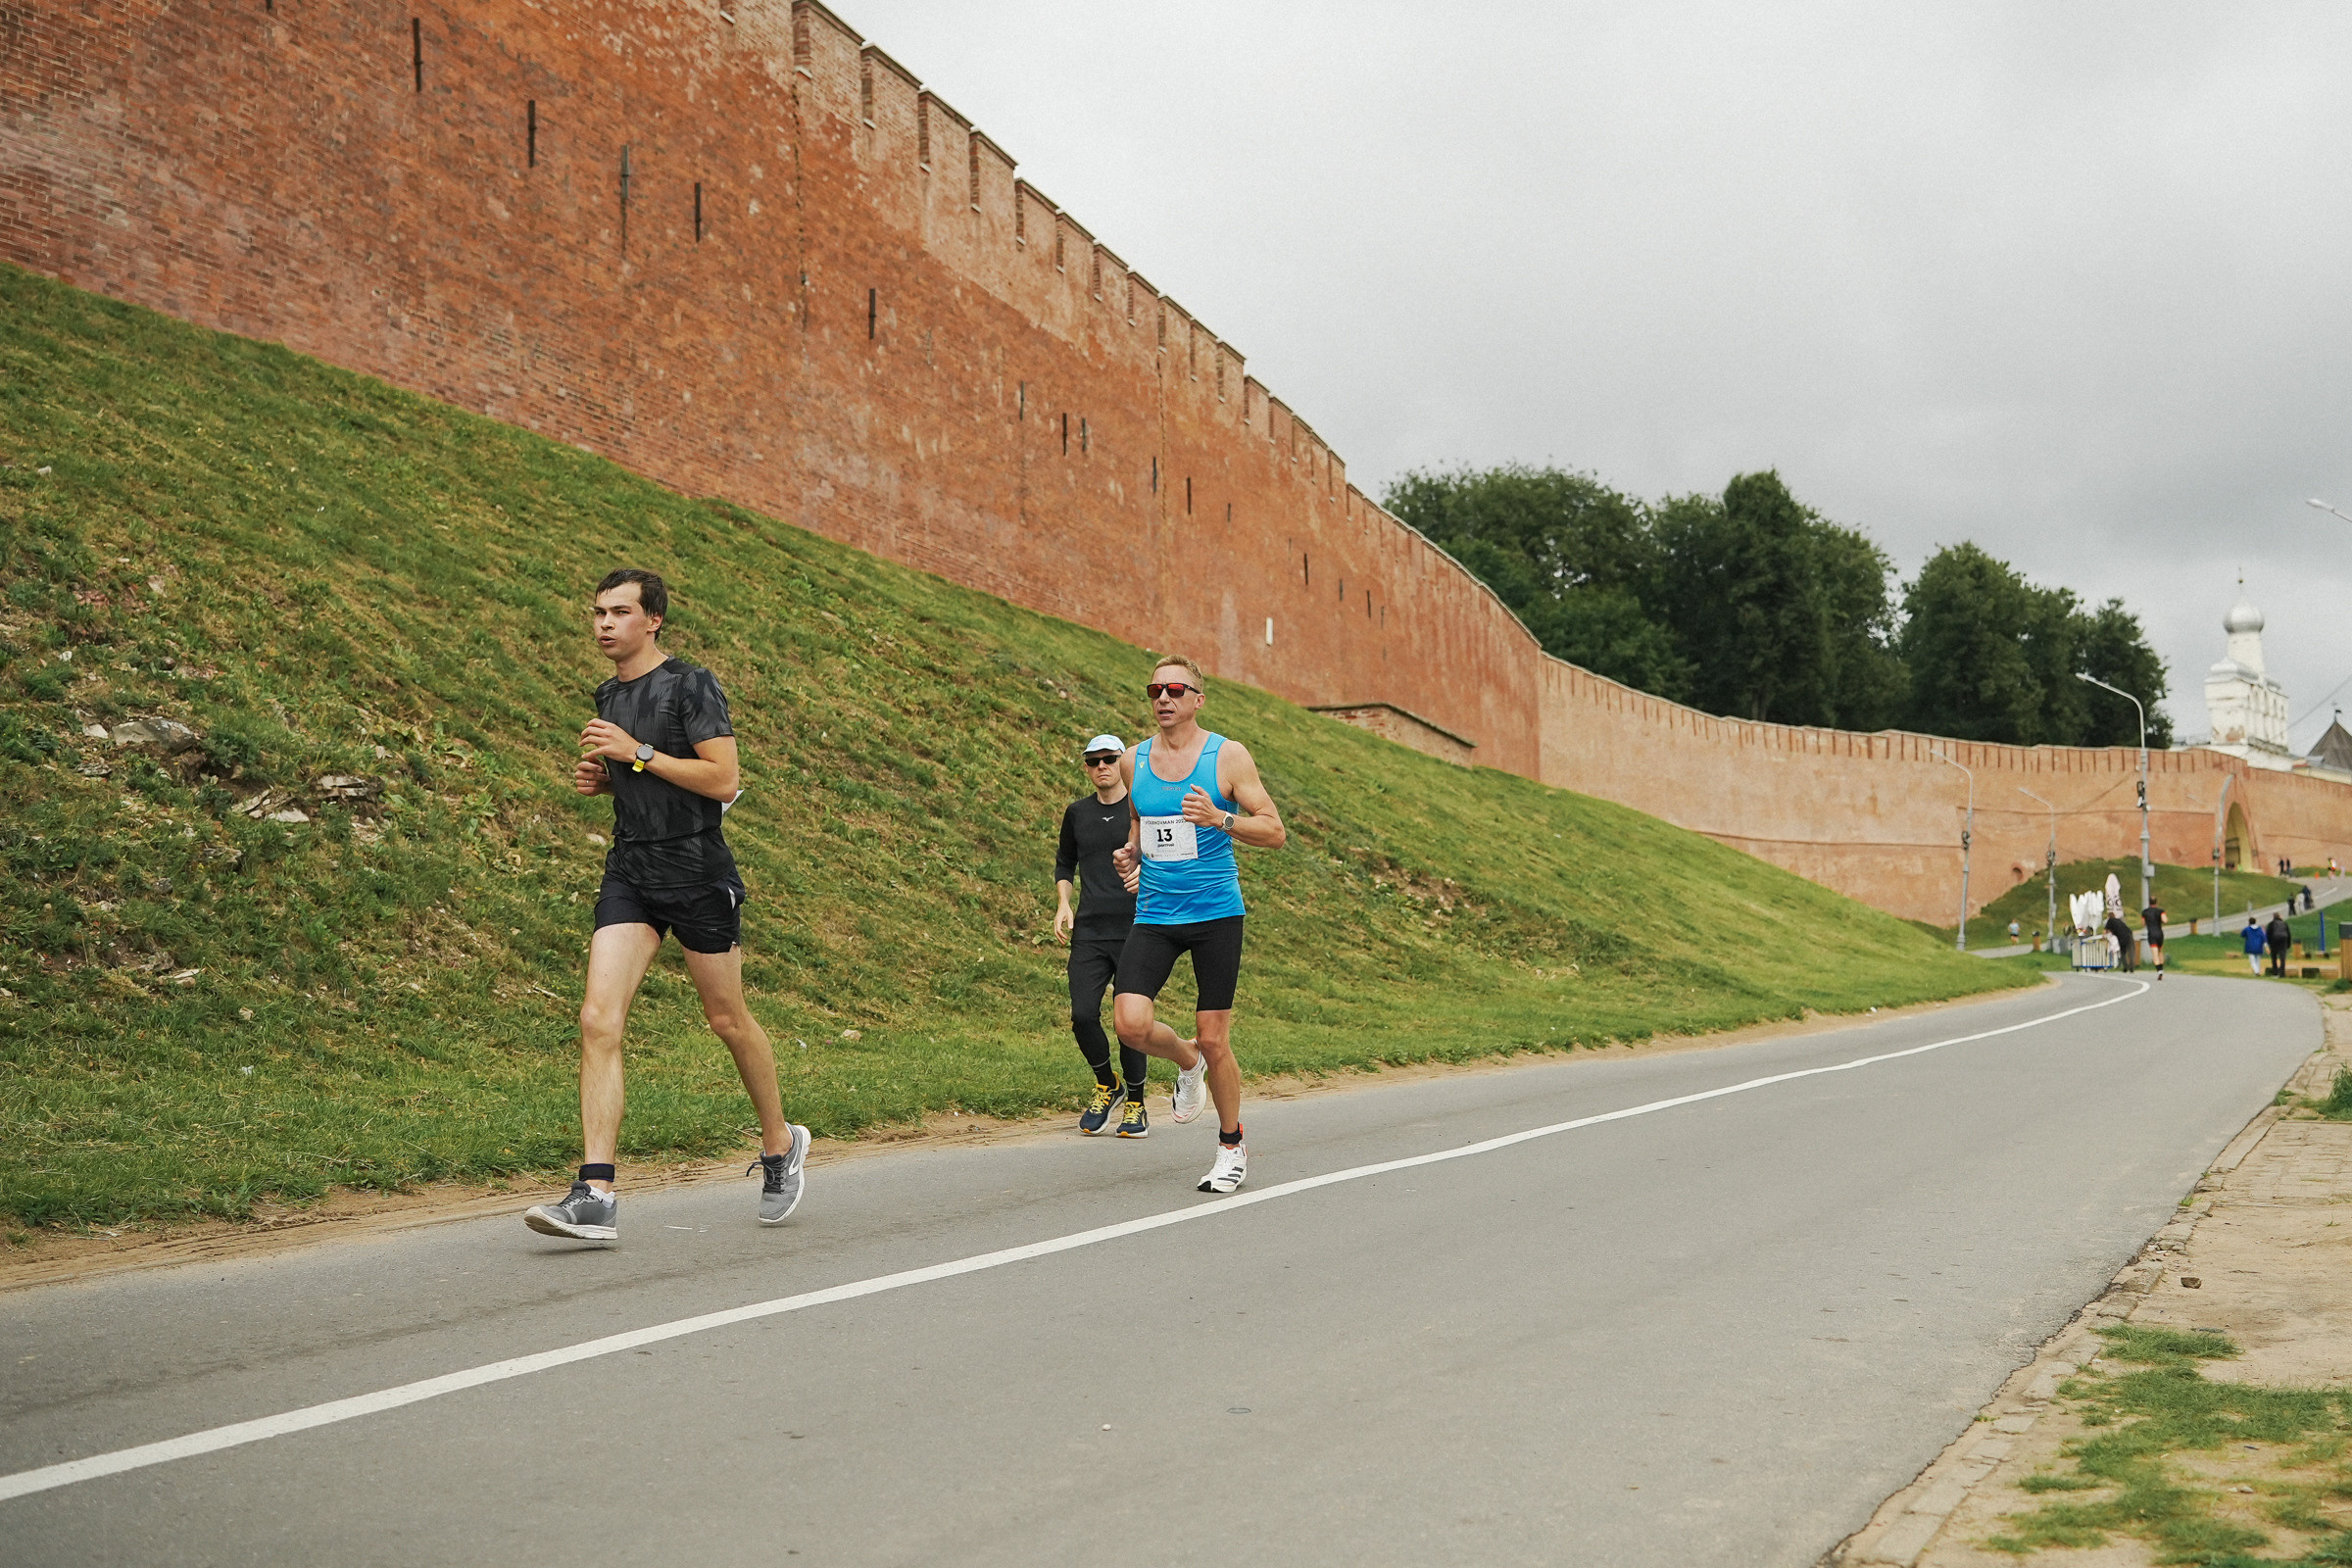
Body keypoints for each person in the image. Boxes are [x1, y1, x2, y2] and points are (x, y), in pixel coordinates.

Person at [523, 568, 808, 1243]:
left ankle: (781, 1144)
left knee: (726, 1018)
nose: (603, 623)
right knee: (598, 1018)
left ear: (653, 620)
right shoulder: (606, 693)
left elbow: (723, 778)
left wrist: (638, 753)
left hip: (697, 869)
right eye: (597, 611)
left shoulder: (690, 684)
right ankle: (594, 1192)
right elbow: (638, 777)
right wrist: (606, 779)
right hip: (632, 870)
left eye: (619, 612)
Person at [1109, 657, 1287, 1195]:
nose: (1163, 698)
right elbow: (1142, 820)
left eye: (1175, 689)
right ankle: (1185, 1062)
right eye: (1155, 689)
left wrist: (1221, 819)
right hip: (1157, 913)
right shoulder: (1132, 761)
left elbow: (1274, 831)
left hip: (1215, 914)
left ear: (1197, 699)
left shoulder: (1226, 756)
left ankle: (1231, 1147)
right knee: (1130, 1024)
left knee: (1216, 1039)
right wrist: (1131, 855)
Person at [1054, 734, 1150, 1137]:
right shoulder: (1077, 813)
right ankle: (1106, 1083)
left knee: (1129, 1022)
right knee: (1082, 1014)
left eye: (1109, 759)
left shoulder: (1142, 810)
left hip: (1137, 928)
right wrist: (1063, 904)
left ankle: (1136, 1103)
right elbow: (1065, 862)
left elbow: (1166, 856)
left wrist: (1150, 877)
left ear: (1123, 761)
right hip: (1090, 930)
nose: (1101, 767)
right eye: (1093, 762)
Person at [2140, 897, 2166, 981]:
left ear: (2149, 902)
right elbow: (2165, 920)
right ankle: (2162, 968)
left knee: (2154, 954)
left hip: (2151, 933)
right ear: (2156, 902)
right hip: (2159, 933)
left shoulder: (2145, 912)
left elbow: (2143, 924)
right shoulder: (2160, 911)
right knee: (2160, 951)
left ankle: (2159, 971)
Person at [2267, 910, 2294, 977]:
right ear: (2280, 916)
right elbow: (2288, 934)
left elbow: (2268, 934)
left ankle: (2275, 973)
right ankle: (2282, 973)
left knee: (2274, 958)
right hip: (2283, 941)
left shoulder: (2271, 924)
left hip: (2274, 941)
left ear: (2273, 917)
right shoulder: (2284, 923)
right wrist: (2288, 944)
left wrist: (2269, 943)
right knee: (2282, 958)